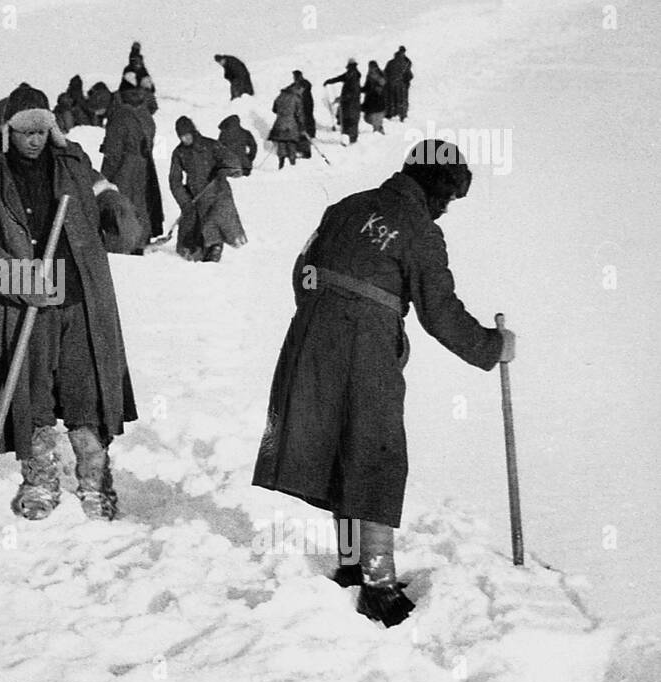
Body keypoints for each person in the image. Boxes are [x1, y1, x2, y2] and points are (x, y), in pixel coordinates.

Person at [252, 140, 516, 627]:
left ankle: (352, 565)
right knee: (376, 451)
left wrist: (327, 315)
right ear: (436, 186)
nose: (445, 209)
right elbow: (440, 315)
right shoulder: (421, 232)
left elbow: (302, 270)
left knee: (336, 447)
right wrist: (491, 346)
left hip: (310, 337)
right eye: (448, 198)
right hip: (362, 345)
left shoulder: (345, 207)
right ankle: (378, 586)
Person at [0, 84, 142, 521]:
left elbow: (104, 197)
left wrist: (115, 209)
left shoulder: (73, 165)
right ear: (6, 132)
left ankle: (95, 483)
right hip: (23, 308)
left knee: (85, 392)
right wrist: (17, 277)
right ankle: (40, 480)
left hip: (80, 301)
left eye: (41, 130)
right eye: (24, 132)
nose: (34, 140)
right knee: (30, 398)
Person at [169, 117, 247, 262]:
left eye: (187, 135)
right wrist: (184, 201)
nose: (185, 139)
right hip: (197, 195)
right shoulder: (179, 152)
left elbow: (233, 162)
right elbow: (175, 180)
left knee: (216, 222)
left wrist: (223, 170)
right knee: (194, 229)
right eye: (181, 136)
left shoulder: (210, 145)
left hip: (219, 191)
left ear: (193, 131)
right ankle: (200, 252)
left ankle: (215, 250)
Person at [100, 85, 163, 250]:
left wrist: (104, 177)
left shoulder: (119, 117)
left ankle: (126, 242)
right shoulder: (145, 115)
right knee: (141, 202)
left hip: (125, 166)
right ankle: (142, 239)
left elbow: (113, 152)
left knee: (122, 203)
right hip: (144, 164)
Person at [268, 81, 307, 168]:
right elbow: (299, 113)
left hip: (279, 123)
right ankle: (292, 164)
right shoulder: (296, 98)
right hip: (291, 124)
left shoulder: (280, 96)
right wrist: (302, 125)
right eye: (302, 91)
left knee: (281, 143)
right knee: (291, 143)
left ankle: (281, 164)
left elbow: (274, 109)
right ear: (298, 89)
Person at [323, 59, 362, 144]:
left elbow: (353, 93)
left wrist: (342, 98)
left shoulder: (354, 77)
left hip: (352, 104)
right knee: (347, 120)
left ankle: (352, 140)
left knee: (350, 121)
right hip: (348, 103)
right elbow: (339, 78)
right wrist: (329, 81)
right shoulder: (350, 75)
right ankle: (349, 139)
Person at [384, 46, 413, 121]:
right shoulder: (406, 63)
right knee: (401, 100)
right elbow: (409, 75)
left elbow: (385, 72)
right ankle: (402, 115)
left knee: (391, 99)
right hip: (401, 85)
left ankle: (390, 113)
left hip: (391, 84)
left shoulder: (391, 62)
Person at [362, 60, 387, 134]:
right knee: (368, 118)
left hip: (377, 101)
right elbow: (367, 87)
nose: (370, 68)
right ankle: (378, 128)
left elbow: (383, 85)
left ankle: (378, 130)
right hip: (371, 101)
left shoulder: (380, 75)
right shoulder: (369, 75)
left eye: (372, 67)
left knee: (374, 117)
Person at [292, 70, 316, 142]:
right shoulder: (297, 83)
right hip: (303, 103)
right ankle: (306, 133)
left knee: (308, 118)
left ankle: (311, 134)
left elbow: (306, 86)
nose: (294, 78)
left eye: (295, 76)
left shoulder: (305, 83)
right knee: (304, 118)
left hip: (307, 103)